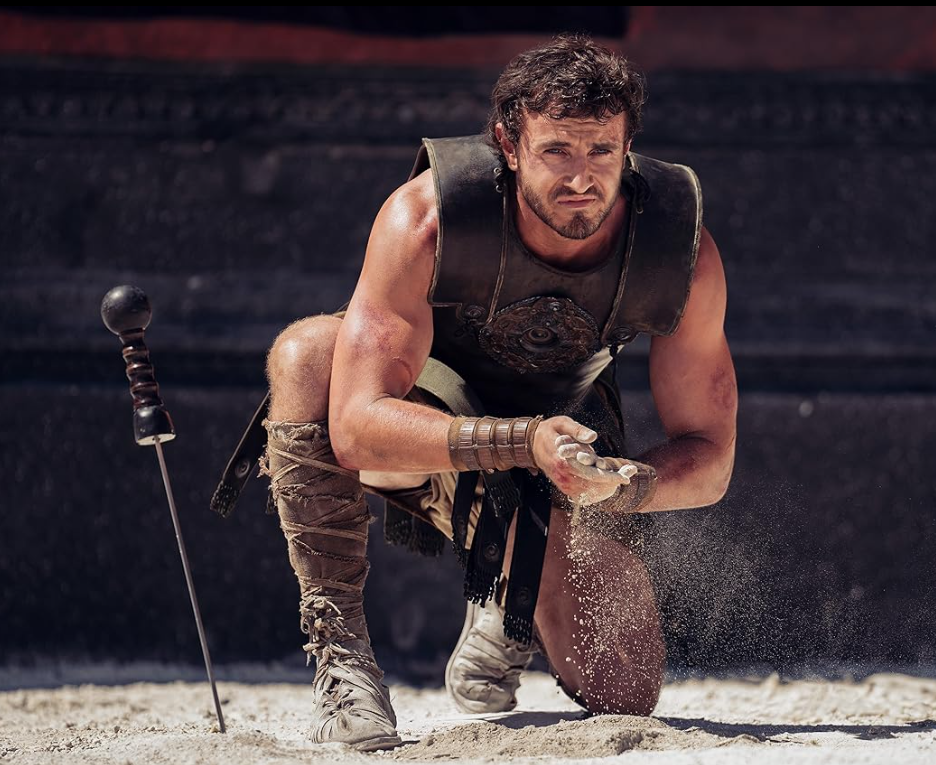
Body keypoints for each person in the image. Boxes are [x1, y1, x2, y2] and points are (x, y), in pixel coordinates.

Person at [258, 33, 737, 751]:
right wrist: (522, 441)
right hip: (422, 437)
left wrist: (620, 484)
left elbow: (711, 459)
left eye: (602, 151)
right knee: (307, 355)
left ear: (629, 146)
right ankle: (345, 662)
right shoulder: (425, 219)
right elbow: (356, 427)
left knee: (625, 685)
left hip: (565, 463)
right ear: (508, 145)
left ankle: (506, 576)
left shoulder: (678, 249)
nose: (582, 177)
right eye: (556, 152)